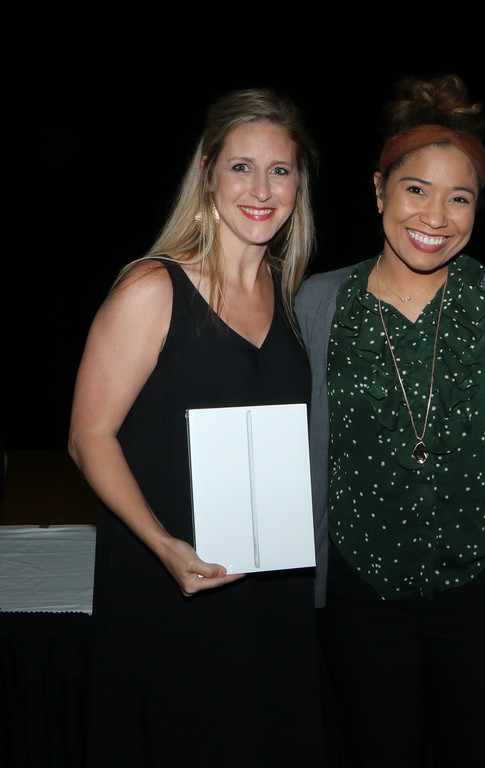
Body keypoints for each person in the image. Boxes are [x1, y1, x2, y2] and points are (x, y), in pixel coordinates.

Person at [68, 87, 327, 767]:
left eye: (280, 169)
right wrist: (163, 546)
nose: (262, 188)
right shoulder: (153, 288)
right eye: (241, 167)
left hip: (269, 589)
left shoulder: (291, 298)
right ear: (208, 173)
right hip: (171, 583)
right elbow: (88, 436)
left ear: (299, 183)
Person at [294, 73, 485, 768]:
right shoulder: (319, 302)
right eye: (416, 190)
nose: (436, 215)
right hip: (357, 586)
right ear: (378, 191)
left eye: (459, 197)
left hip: (484, 588)